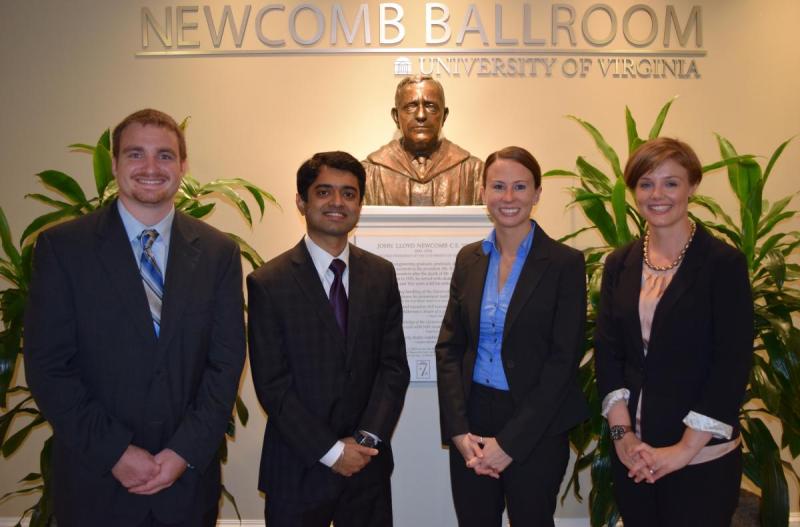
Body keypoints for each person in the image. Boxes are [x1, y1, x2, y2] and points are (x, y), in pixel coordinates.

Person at [23, 108, 246, 527]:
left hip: (187, 484)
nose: (150, 167)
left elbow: (225, 363)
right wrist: (116, 453)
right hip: (96, 483)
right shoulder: (62, 249)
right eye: (135, 154)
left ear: (183, 166)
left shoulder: (219, 253)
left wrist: (182, 453)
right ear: (115, 164)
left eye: (164, 155)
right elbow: (49, 367)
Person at [594, 137, 753, 526]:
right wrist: (623, 436)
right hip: (635, 455)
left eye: (671, 182)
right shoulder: (620, 264)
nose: (657, 194)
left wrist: (682, 450)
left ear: (692, 187)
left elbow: (731, 364)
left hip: (701, 458)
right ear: (633, 191)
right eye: (646, 184)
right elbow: (608, 352)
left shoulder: (723, 264)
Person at [247, 151, 410, 527]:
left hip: (367, 468)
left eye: (349, 194)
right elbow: (273, 384)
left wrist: (365, 442)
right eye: (324, 192)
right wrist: (332, 451)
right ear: (302, 202)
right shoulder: (269, 283)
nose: (338, 203)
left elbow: (393, 368)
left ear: (360, 204)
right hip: (297, 465)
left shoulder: (381, 275)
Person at [435, 146, 588, 526]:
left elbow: (563, 359)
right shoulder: (468, 259)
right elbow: (450, 347)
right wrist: (457, 430)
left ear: (537, 194)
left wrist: (511, 443)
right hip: (472, 418)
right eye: (498, 186)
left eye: (520, 187)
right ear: (483, 192)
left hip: (536, 423)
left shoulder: (565, 263)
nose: (508, 197)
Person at [363, 75, 483, 206]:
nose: (421, 115)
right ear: (396, 116)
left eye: (431, 106)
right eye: (410, 106)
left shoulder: (474, 172)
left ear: (444, 116)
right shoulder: (369, 173)